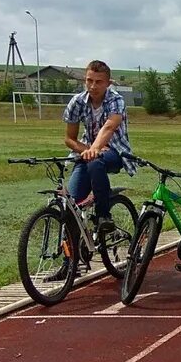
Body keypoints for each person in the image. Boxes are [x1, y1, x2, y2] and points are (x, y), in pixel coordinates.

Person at [63, 60, 136, 233]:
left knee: (96, 163)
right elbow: (69, 139)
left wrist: (95, 149)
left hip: (115, 152)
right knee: (71, 206)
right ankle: (70, 258)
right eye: (89, 80)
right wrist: (88, 150)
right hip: (87, 154)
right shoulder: (77, 102)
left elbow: (110, 126)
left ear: (108, 84)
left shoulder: (116, 100)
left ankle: (104, 216)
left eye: (98, 82)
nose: (93, 86)